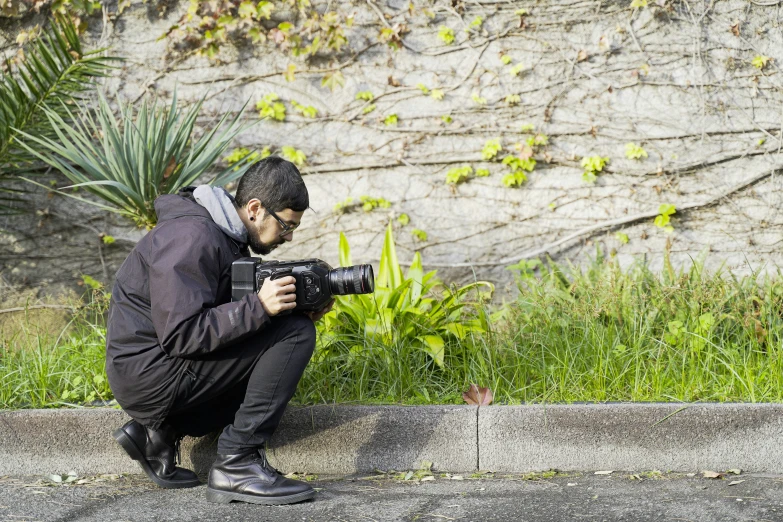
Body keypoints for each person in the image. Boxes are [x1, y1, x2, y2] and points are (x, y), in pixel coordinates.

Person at [105, 156, 332, 505]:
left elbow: (218, 314)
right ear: (255, 208)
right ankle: (237, 463)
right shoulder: (192, 237)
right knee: (294, 334)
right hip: (150, 373)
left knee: (286, 332)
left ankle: (157, 435)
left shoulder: (224, 236)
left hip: (157, 369)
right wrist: (261, 309)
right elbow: (182, 333)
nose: (288, 237)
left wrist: (286, 307)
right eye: (286, 226)